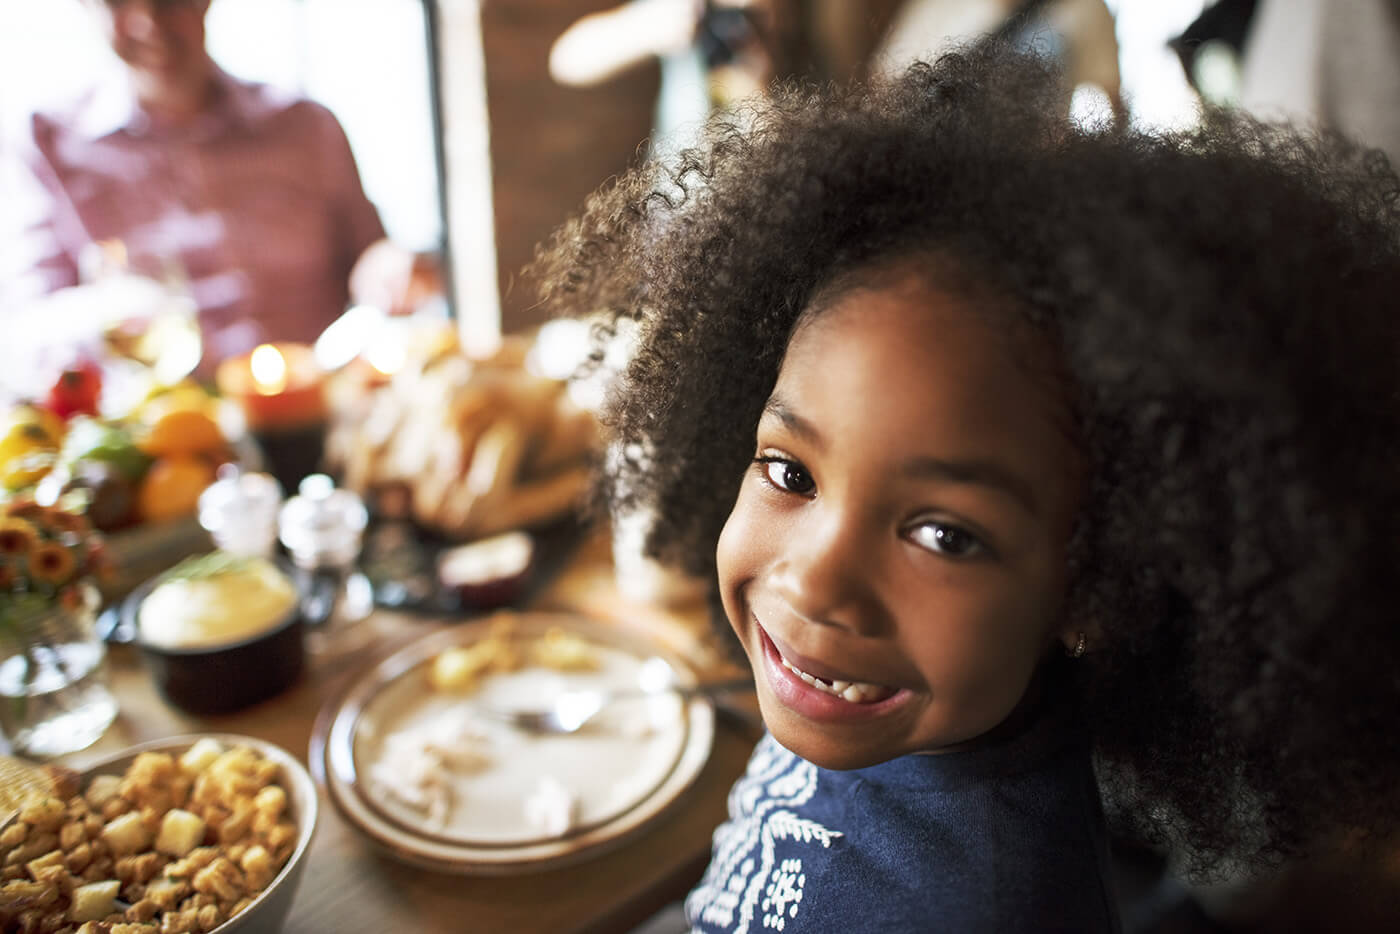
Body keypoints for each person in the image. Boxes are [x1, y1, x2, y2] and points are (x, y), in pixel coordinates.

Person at [533, 42, 1400, 932]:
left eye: (944, 535)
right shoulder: (885, 711)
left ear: (1097, 590)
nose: (811, 580)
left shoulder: (975, 906)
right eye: (792, 474)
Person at [1, 0, 438, 366]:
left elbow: (370, 256)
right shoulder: (46, 144)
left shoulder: (307, 126)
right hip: (161, 440)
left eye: (168, 0)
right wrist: (107, 312)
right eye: (118, 1)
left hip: (318, 413)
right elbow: (30, 325)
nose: (147, 23)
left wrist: (391, 270)